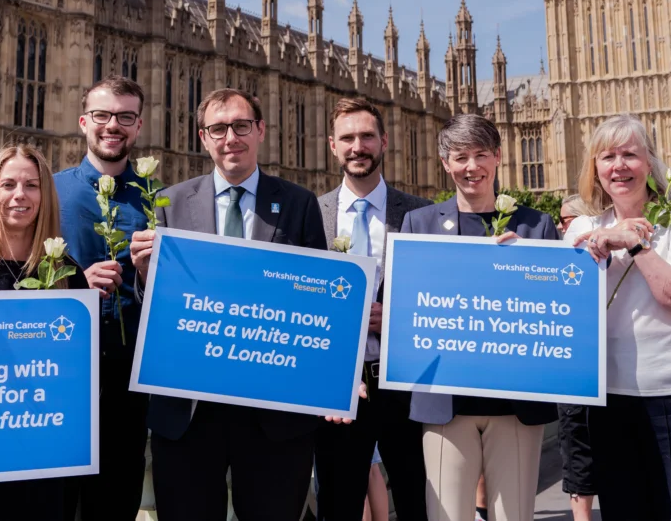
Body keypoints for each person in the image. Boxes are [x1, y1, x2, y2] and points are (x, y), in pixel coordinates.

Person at [130, 87, 327, 521]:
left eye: (240, 126)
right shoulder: (170, 203)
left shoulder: (298, 203)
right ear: (203, 137)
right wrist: (145, 275)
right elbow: (157, 309)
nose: (230, 137)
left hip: (274, 415)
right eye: (218, 129)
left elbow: (317, 306)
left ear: (260, 131)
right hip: (189, 412)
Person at [566, 113, 671, 520]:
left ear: (650, 163)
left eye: (629, 155)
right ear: (595, 170)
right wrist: (508, 258)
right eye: (607, 157)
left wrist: (637, 247)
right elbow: (557, 311)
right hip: (611, 401)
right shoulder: (583, 230)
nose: (618, 165)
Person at [401, 113, 557, 521]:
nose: (471, 167)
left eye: (481, 154)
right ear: (446, 164)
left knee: (514, 516)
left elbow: (557, 309)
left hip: (516, 404)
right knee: (446, 515)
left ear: (498, 157)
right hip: (445, 404)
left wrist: (528, 267)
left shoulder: (536, 226)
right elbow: (406, 308)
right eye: (460, 157)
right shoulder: (418, 224)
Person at [0, 144, 106, 517]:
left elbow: (82, 377)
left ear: (45, 195)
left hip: (43, 460)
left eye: (31, 185)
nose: (20, 195)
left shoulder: (68, 275)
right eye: (8, 184)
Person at [315, 97, 429, 521]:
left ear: (384, 142)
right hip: (339, 390)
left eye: (366, 136)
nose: (357, 146)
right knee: (338, 504)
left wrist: (398, 319)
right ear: (332, 145)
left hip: (406, 387)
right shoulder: (313, 213)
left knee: (417, 503)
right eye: (347, 138)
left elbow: (444, 301)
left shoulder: (421, 214)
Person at [54, 77, 148, 521]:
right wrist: (73, 287)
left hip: (130, 384)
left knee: (117, 502)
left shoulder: (158, 202)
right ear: (83, 122)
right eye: (102, 115)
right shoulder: (46, 193)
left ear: (139, 125)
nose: (113, 126)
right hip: (60, 375)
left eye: (125, 117)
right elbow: (8, 277)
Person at [554, 195, 597, 521]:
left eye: (565, 220)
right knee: (578, 454)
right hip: (575, 375)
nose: (560, 225)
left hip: (601, 373)